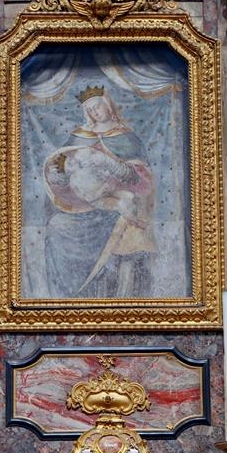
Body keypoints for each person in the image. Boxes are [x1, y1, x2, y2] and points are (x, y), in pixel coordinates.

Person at [43, 86, 157, 298]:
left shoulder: (127, 137)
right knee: (56, 226)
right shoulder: (80, 136)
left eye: (97, 107)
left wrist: (110, 165)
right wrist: (57, 175)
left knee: (127, 228)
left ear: (108, 105)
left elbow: (142, 181)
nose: (94, 112)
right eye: (90, 110)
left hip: (115, 207)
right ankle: (68, 299)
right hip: (86, 207)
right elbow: (64, 168)